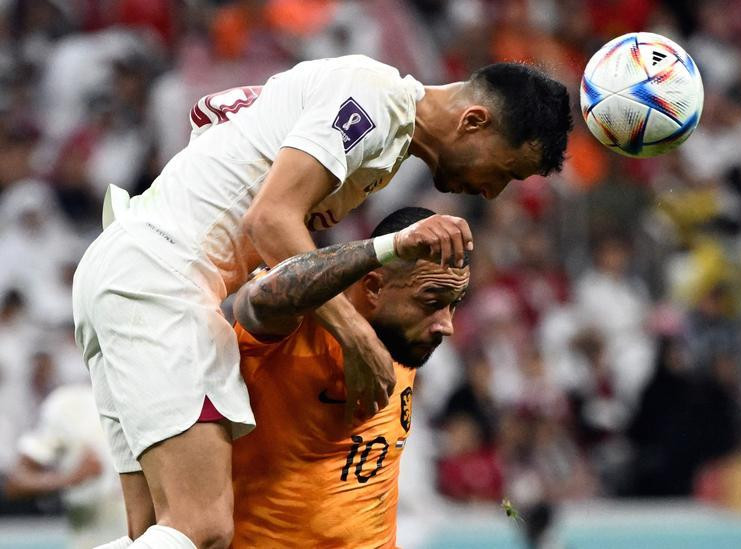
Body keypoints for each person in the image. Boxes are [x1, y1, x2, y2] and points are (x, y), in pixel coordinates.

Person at [72, 54, 571, 548]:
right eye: (506, 172)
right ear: (474, 121)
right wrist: (355, 335)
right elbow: (269, 220)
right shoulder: (375, 100)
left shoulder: (378, 125)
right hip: (164, 276)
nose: (492, 192)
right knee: (201, 528)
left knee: (152, 532)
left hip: (125, 268)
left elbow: (216, 116)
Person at [231, 207, 470, 547]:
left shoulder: (403, 340)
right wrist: (355, 332)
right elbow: (255, 301)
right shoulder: (299, 327)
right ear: (373, 288)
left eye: (454, 304)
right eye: (432, 302)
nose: (446, 325)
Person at [4, 384, 126, 548]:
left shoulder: (153, 399)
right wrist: (71, 478)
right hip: (93, 541)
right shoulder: (70, 404)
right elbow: (15, 482)